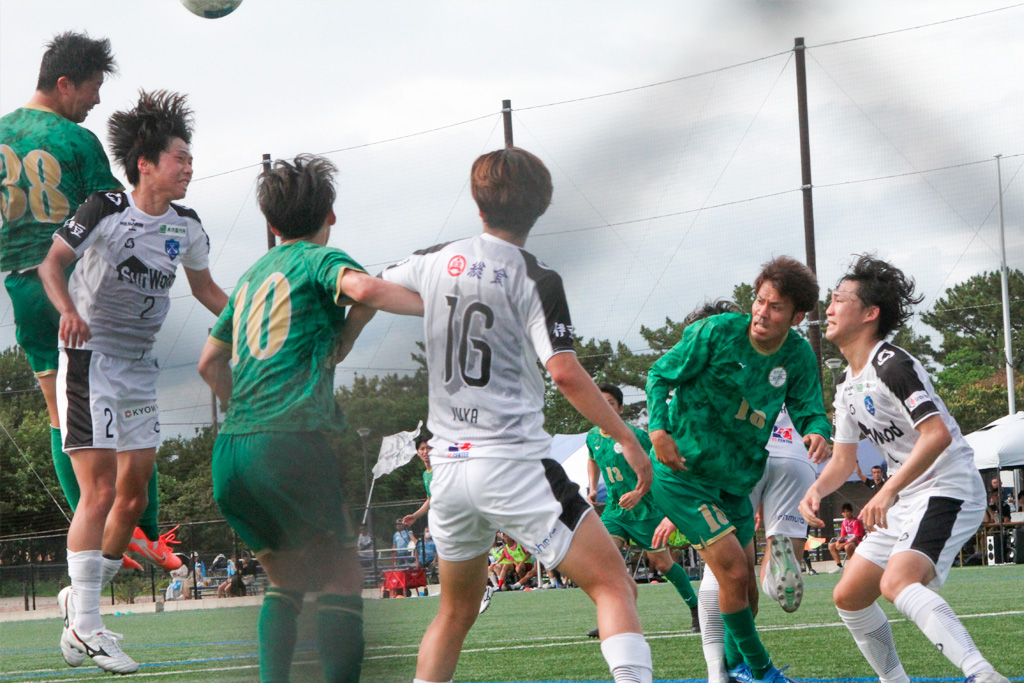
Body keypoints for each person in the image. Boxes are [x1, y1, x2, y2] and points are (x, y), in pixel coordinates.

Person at [378, 147, 655, 683]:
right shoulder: (537, 277)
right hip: (510, 463)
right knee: (614, 585)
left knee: (454, 613)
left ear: (477, 202)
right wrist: (626, 438)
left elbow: (368, 287)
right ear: (542, 206)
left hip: (449, 469)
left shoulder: (436, 259)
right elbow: (567, 374)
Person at [198, 154, 422, 683]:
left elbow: (209, 363)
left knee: (286, 581)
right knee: (343, 576)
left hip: (232, 450)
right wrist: (443, 305)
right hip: (292, 443)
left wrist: (247, 409)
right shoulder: (317, 260)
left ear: (271, 226)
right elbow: (364, 290)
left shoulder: (253, 275)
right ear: (331, 215)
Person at [40, 90, 227, 675]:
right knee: (97, 491)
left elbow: (206, 291)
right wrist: (68, 308)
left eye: (190, 158)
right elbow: (51, 264)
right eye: (180, 157)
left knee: (134, 494)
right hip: (89, 358)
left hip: (138, 367)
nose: (189, 166)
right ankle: (87, 627)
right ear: (146, 163)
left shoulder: (187, 226)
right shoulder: (104, 208)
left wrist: (250, 324)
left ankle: (81, 598)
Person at [0, 31, 180, 576]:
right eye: (93, 88)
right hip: (81, 285)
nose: (96, 101)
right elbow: (112, 213)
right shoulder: (76, 143)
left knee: (63, 415)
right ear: (64, 83)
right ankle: (135, 531)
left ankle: (114, 530)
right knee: (125, 407)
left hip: (23, 286)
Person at [800, 254, 1008, 683]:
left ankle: (983, 675)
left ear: (870, 314)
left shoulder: (893, 365)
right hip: (905, 495)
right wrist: (817, 489)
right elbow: (843, 460)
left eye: (839, 299)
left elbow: (937, 435)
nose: (830, 308)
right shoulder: (846, 385)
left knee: (897, 582)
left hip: (947, 485)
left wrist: (886, 490)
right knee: (849, 596)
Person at [646, 260, 831, 683]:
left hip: (737, 479)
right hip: (684, 475)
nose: (763, 313)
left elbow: (808, 407)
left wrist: (818, 430)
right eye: (760, 301)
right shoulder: (715, 332)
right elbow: (659, 375)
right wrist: (658, 430)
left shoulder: (798, 355)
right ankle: (761, 670)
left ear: (798, 317)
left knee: (746, 585)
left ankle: (733, 669)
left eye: (777, 307)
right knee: (730, 569)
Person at [585, 383, 700, 636]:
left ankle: (696, 608)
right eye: (599, 401)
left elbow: (658, 468)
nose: (604, 406)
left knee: (662, 564)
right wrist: (592, 488)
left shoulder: (635, 436)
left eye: (611, 402)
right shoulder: (592, 436)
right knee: (604, 559)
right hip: (615, 511)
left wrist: (639, 492)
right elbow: (592, 459)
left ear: (621, 408)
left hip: (646, 510)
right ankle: (614, 617)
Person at [827, 503, 866, 573]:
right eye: (844, 512)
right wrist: (838, 542)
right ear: (842, 513)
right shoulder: (844, 523)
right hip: (849, 541)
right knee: (831, 545)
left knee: (848, 547)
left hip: (858, 542)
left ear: (851, 512)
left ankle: (854, 566)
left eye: (848, 511)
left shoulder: (856, 522)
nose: (846, 513)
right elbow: (843, 536)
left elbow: (857, 537)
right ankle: (839, 566)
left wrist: (843, 544)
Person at [403, 437, 433, 527]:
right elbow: (430, 499)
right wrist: (415, 516)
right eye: (422, 449)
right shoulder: (425, 474)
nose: (425, 451)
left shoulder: (442, 469)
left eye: (429, 448)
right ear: (418, 452)